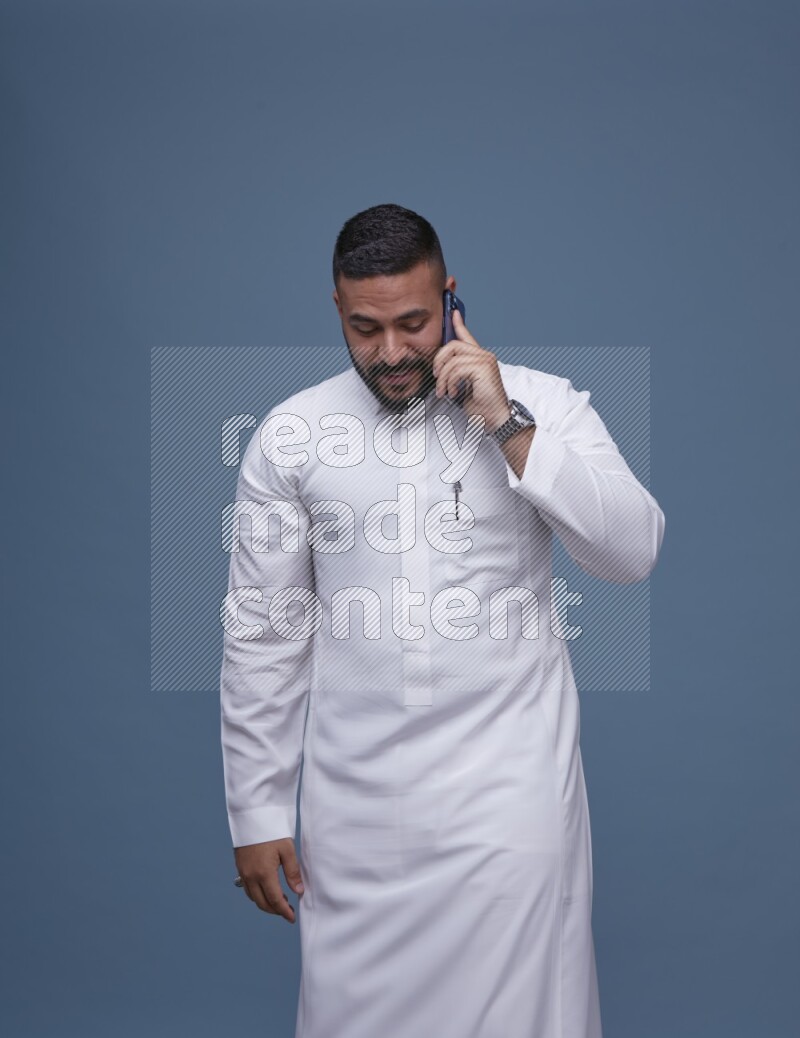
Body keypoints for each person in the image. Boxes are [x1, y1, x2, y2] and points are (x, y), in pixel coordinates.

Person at [219, 203, 666, 1038]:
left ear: (452, 298)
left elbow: (630, 551)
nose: (390, 352)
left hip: (510, 803)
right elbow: (263, 632)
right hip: (355, 818)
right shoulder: (290, 436)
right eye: (365, 328)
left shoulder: (542, 404)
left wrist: (505, 425)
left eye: (414, 323)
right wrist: (257, 809)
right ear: (337, 311)